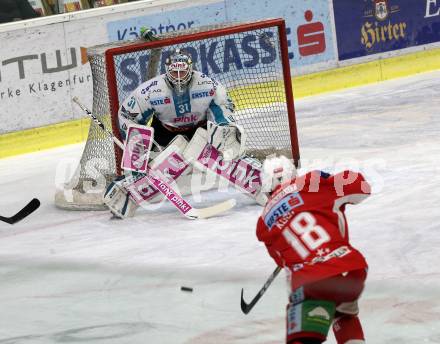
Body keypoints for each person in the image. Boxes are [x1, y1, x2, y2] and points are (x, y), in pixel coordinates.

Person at [103, 48, 247, 218]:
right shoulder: (150, 91)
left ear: (191, 69)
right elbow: (127, 116)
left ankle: (255, 179)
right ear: (167, 71)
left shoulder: (208, 85)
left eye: (183, 71)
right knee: (157, 169)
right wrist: (139, 155)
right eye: (175, 71)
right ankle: (128, 193)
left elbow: (223, 113)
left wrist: (225, 134)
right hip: (165, 133)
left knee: (226, 153)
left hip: (199, 130)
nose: (179, 76)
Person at [256, 156, 371, 344]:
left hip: (310, 277)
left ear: (266, 188)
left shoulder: (263, 223)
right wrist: (330, 182)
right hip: (350, 267)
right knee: (344, 315)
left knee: (303, 338)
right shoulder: (313, 182)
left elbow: (284, 261)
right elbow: (362, 187)